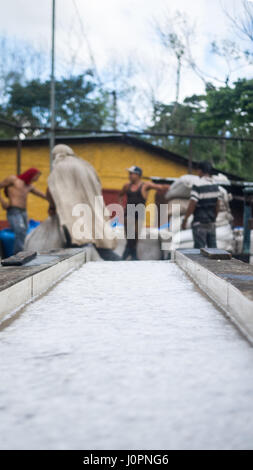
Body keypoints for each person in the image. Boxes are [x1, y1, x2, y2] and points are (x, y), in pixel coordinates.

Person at [26, 145, 119, 260]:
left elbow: (51, 188)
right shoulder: (85, 165)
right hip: (91, 209)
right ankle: (121, 265)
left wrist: (52, 206)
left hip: (71, 213)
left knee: (76, 242)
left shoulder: (59, 166)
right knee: (99, 241)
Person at [119, 166, 168, 260]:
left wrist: (170, 186)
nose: (129, 176)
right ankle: (132, 256)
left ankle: (128, 255)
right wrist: (121, 206)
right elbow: (120, 195)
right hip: (128, 213)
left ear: (137, 175)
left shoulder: (145, 185)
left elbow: (160, 187)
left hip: (139, 214)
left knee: (136, 236)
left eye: (131, 174)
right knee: (129, 235)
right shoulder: (127, 186)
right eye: (129, 174)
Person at [0, 168, 47, 254]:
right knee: (20, 230)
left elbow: (41, 194)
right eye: (36, 177)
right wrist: (3, 202)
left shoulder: (29, 186)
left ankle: (23, 252)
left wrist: (53, 199)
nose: (36, 179)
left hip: (23, 212)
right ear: (30, 174)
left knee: (24, 232)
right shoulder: (13, 180)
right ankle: (18, 255)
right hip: (14, 211)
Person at [182, 161, 221, 249]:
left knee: (199, 251)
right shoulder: (216, 186)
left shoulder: (197, 185)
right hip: (211, 222)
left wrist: (185, 220)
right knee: (213, 250)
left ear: (200, 171)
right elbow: (218, 205)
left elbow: (192, 204)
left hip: (199, 223)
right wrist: (214, 217)